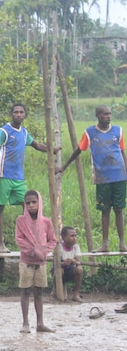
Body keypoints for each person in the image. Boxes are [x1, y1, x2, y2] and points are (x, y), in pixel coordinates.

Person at [57, 105, 127, 253]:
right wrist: (64, 166)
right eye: (105, 114)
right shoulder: (90, 133)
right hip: (102, 177)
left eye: (109, 114)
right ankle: (105, 244)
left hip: (119, 175)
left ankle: (122, 243)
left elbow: (122, 152)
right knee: (105, 210)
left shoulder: (118, 131)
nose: (108, 116)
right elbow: (78, 150)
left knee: (119, 210)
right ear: (97, 115)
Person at [0, 103, 52, 253]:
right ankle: (0, 244)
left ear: (25, 115)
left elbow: (36, 145)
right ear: (11, 114)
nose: (18, 114)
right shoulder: (3, 131)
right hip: (2, 175)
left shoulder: (24, 133)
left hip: (18, 177)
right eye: (15, 112)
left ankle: (28, 240)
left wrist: (52, 149)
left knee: (29, 205)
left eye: (21, 112)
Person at [15, 190, 57, 334]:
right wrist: (32, 250)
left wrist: (44, 251)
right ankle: (25, 323)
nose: (31, 206)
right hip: (26, 261)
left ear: (39, 203)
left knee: (39, 292)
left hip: (41, 262)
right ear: (25, 205)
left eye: (34, 202)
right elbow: (19, 239)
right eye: (28, 203)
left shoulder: (46, 222)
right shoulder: (20, 221)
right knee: (25, 291)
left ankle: (40, 323)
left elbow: (53, 240)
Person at [54, 226, 83, 302]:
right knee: (59, 271)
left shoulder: (76, 247)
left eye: (75, 236)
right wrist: (63, 263)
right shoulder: (59, 247)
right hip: (60, 268)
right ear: (63, 237)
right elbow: (56, 263)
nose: (74, 238)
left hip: (70, 269)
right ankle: (57, 291)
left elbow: (78, 262)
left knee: (79, 269)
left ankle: (76, 294)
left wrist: (73, 261)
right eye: (72, 236)